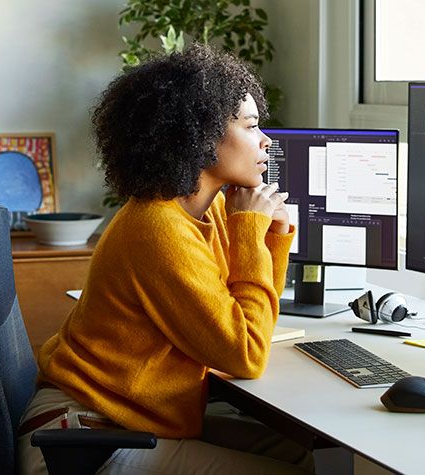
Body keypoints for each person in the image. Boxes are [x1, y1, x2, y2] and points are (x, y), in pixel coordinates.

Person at [17, 43, 312, 474]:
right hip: (82, 440)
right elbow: (244, 354)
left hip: (126, 419)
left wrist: (272, 235)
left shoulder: (200, 210)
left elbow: (247, 320)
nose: (266, 140)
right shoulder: (158, 228)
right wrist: (250, 230)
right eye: (251, 126)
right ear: (201, 135)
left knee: (300, 454)